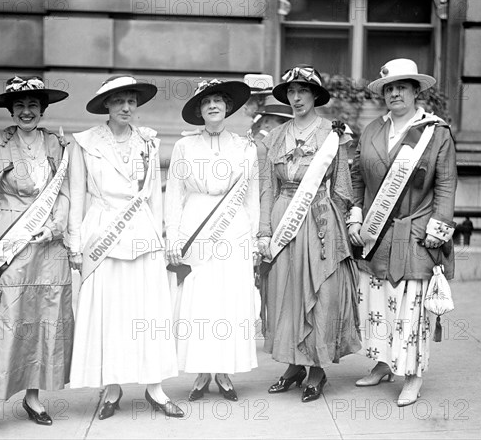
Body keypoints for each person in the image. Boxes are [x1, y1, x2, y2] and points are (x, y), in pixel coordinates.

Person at [0, 76, 73, 436]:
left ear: (43, 109)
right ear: (10, 109)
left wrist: (55, 226)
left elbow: (66, 193)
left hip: (46, 246)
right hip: (5, 242)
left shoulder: (56, 143)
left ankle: (33, 397)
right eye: (19, 105)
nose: (26, 111)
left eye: (33, 105)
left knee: (40, 318)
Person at [67, 75, 183, 419]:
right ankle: (113, 388)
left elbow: (154, 199)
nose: (126, 108)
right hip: (103, 236)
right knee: (110, 314)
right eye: (119, 101)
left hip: (143, 237)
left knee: (147, 314)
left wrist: (161, 240)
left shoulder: (148, 142)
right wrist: (75, 243)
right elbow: (77, 196)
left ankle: (155, 388)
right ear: (106, 105)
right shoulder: (85, 143)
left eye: (131, 101)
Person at [348, 58, 457, 406]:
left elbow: (446, 184)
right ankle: (382, 362)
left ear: (415, 91)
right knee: (378, 302)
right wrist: (355, 218)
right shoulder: (372, 130)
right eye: (389, 88)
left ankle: (412, 375)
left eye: (402, 87)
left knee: (410, 307)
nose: (395, 93)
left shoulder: (435, 132)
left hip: (415, 232)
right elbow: (356, 177)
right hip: (376, 234)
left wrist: (436, 228)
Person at [257, 65, 361, 403]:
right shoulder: (273, 137)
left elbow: (343, 187)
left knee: (320, 293)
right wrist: (263, 231)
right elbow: (266, 189)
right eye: (291, 91)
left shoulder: (333, 135)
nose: (296, 97)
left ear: (315, 95)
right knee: (284, 292)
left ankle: (316, 369)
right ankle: (293, 365)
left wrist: (350, 222)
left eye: (303, 90)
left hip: (319, 221)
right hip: (283, 217)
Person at [165, 79, 259, 402]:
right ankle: (202, 371)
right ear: (199, 111)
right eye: (206, 103)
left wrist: (255, 237)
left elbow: (251, 197)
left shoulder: (246, 147)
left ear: (228, 107)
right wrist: (174, 236)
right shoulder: (184, 147)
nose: (213, 106)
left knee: (228, 299)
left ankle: (224, 371)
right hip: (197, 225)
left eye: (219, 100)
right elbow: (174, 194)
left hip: (234, 230)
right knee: (200, 301)